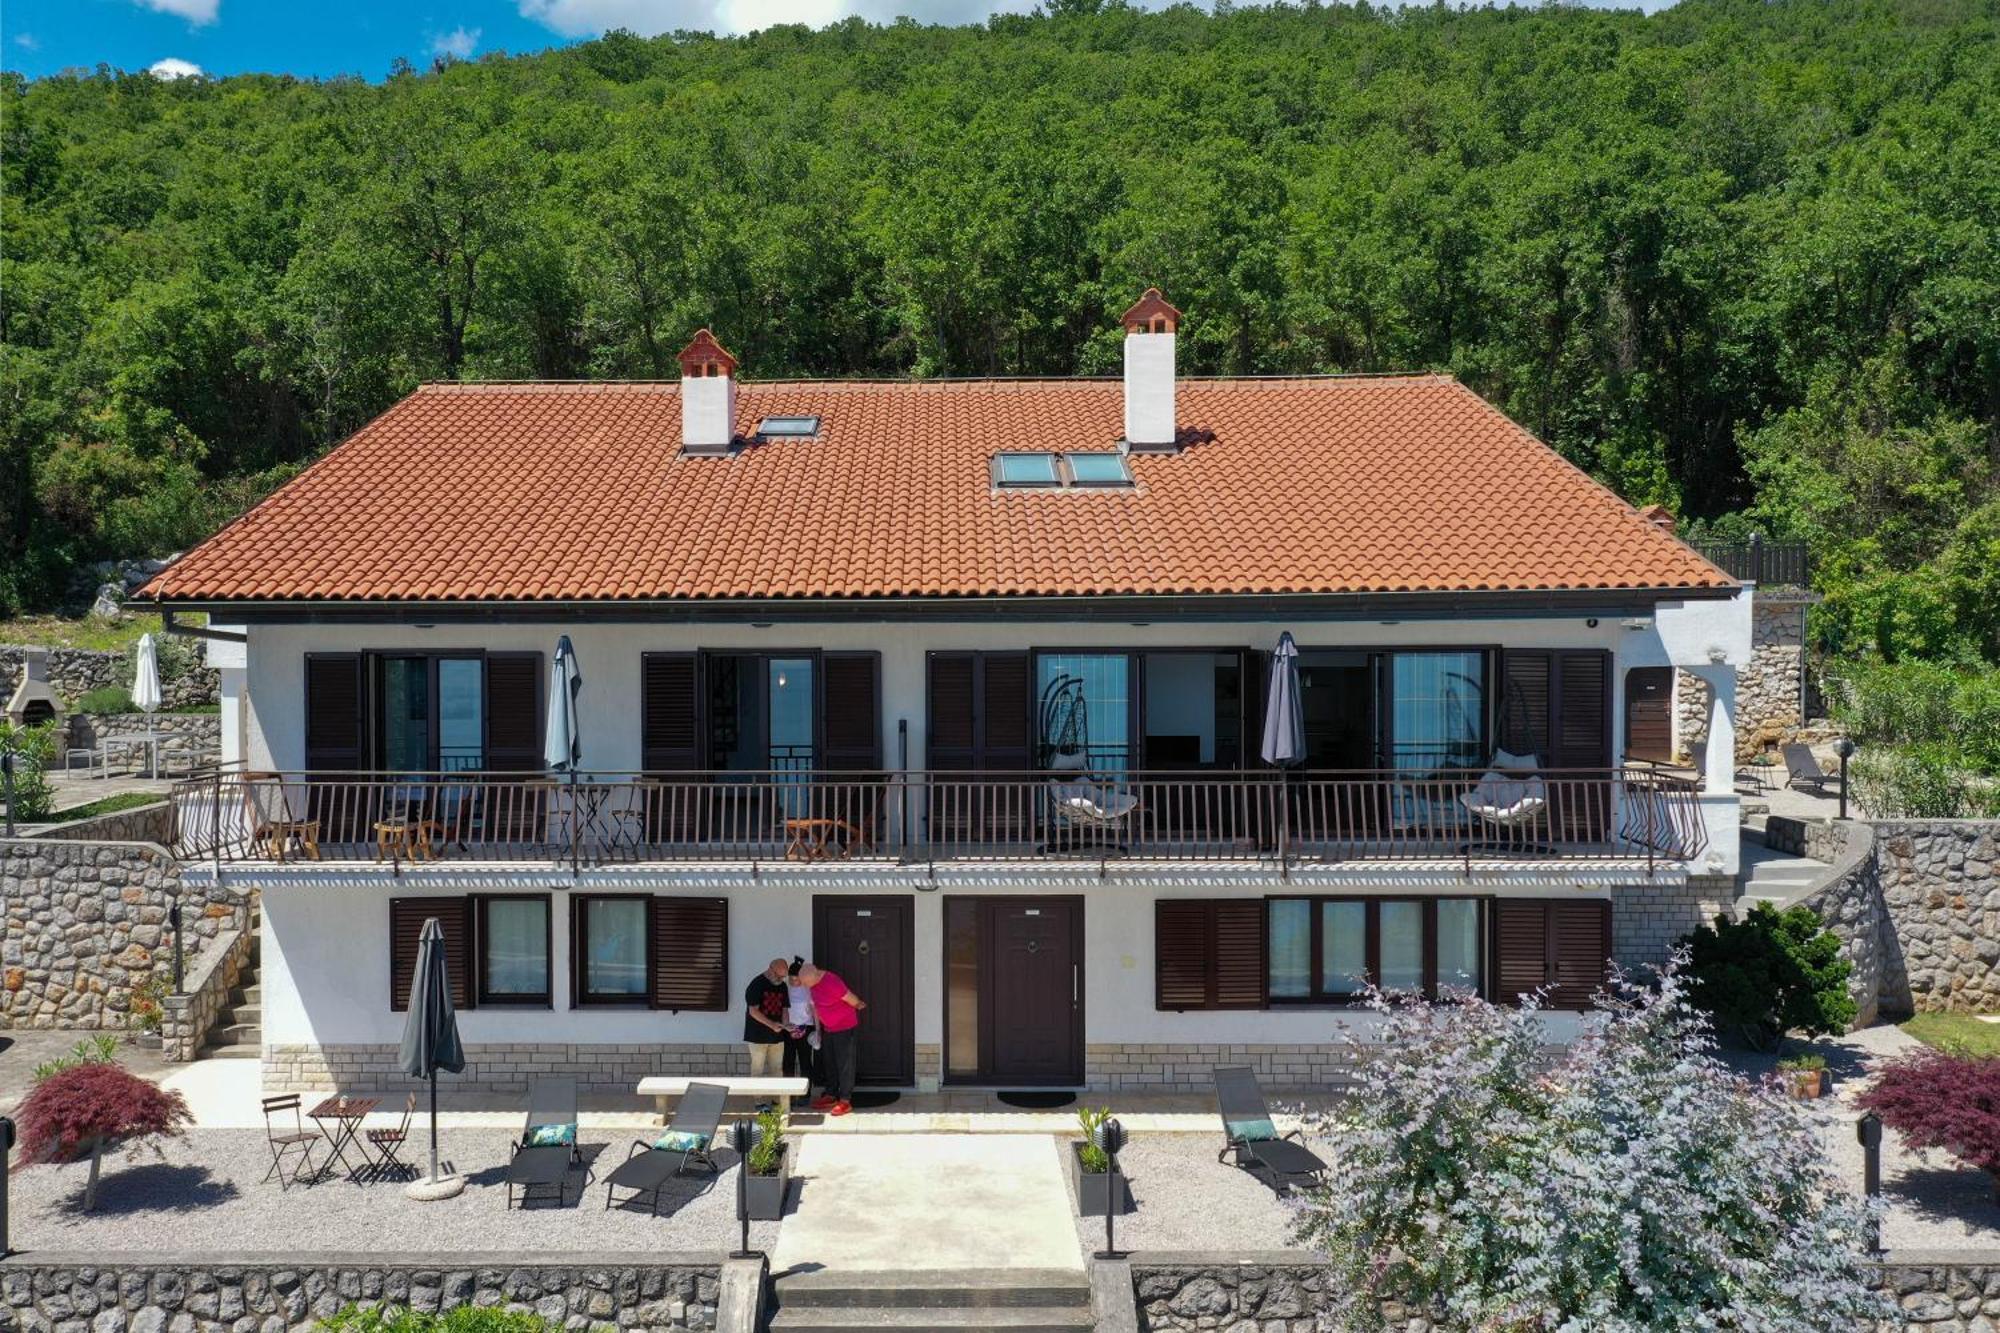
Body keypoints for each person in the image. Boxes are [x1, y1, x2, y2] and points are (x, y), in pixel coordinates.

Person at [796, 961, 865, 1116]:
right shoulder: (813, 984)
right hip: (829, 1028)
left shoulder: (832, 981)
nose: (805, 986)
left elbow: (851, 998)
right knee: (830, 1062)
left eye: (806, 983)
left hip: (845, 1027)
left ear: (814, 975)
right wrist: (818, 1030)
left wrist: (859, 1004)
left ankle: (845, 1101)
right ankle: (831, 1094)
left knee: (845, 1063)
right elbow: (816, 1006)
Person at [743, 957, 791, 1080]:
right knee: (757, 1069)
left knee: (777, 1069)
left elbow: (784, 1009)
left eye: (783, 977)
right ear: (770, 969)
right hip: (757, 1035)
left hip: (777, 1036)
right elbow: (753, 1011)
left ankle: (777, 1099)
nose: (781, 979)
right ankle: (758, 1099)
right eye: (779, 976)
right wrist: (772, 1025)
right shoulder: (757, 984)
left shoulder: (783, 986)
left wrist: (786, 1025)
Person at [783, 957, 817, 1097]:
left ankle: (805, 1094)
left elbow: (814, 1010)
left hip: (806, 1027)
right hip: (788, 1028)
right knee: (788, 1061)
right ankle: (787, 1094)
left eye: (796, 979)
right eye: (791, 979)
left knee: (805, 1061)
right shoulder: (784, 988)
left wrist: (817, 1030)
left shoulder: (808, 989)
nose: (793, 982)